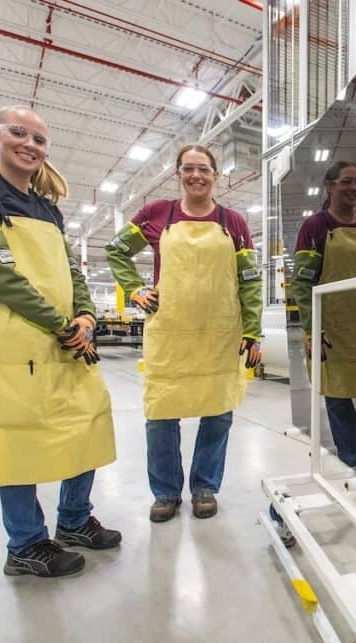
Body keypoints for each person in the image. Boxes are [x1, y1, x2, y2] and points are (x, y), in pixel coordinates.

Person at [0, 105, 120, 578]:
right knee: (17, 439)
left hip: (64, 340)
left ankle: (75, 521)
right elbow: (0, 276)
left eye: (39, 139)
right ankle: (25, 544)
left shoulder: (49, 210)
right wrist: (60, 324)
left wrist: (84, 314)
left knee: (86, 423)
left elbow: (70, 272)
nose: (29, 144)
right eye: (19, 133)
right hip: (12, 343)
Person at [105, 144, 262, 523]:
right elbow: (116, 251)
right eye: (188, 168)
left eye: (204, 169)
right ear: (178, 173)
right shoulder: (157, 214)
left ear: (215, 175)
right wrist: (136, 289)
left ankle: (205, 486)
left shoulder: (234, 222)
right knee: (161, 413)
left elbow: (250, 281)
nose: (196, 175)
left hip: (220, 332)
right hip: (170, 332)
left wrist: (253, 329)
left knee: (218, 411)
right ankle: (165, 492)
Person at [290, 161, 356, 467]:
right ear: (330, 186)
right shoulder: (315, 227)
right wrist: (313, 329)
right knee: (337, 393)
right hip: (335, 326)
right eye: (347, 182)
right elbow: (302, 282)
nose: (354, 188)